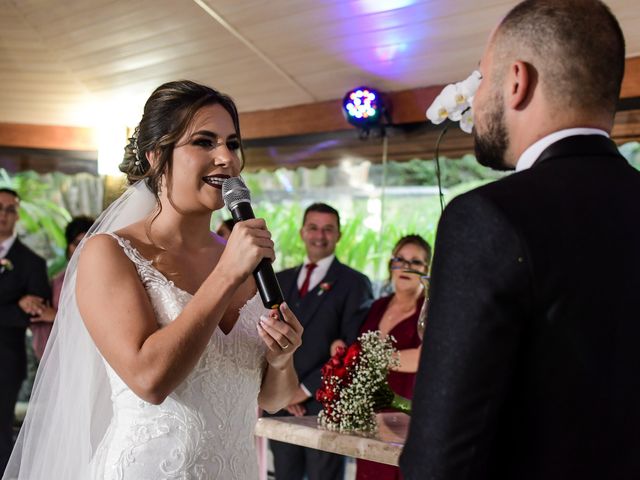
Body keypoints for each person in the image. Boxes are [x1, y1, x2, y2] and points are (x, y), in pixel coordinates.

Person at [3, 80, 304, 480]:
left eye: (232, 144)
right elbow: (148, 380)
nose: (225, 158)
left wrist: (282, 359)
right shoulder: (109, 254)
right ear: (156, 156)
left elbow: (272, 397)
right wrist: (227, 274)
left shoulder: (244, 258)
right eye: (204, 141)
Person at [400, 1, 640, 479]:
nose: (477, 95)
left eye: (483, 79)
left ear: (516, 81)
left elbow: (441, 456)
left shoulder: (488, 217)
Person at [269, 203, 373, 480]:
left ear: (339, 235)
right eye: (313, 227)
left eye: (328, 229)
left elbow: (352, 348)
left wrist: (302, 389)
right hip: (280, 401)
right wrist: (286, 390)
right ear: (302, 232)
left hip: (324, 407)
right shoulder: (278, 281)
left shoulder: (355, 283)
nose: (320, 235)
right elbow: (264, 337)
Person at [0, 188, 51, 474]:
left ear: (17, 215)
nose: (4, 215)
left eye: (10, 209)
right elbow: (17, 310)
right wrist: (13, 302)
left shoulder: (32, 262)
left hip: (5, 359)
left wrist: (20, 307)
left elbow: (34, 311)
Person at [30, 216, 94, 360]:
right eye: (77, 243)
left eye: (88, 241)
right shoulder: (58, 281)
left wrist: (57, 316)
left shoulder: (103, 276)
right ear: (68, 246)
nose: (81, 248)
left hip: (91, 350)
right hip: (64, 352)